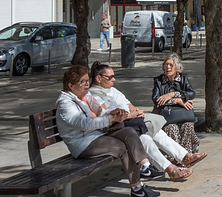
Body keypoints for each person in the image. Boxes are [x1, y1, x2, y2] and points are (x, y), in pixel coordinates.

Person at [56, 65, 161, 197]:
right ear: (70, 86)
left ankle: (145, 168)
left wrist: (112, 112)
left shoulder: (85, 96)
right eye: (82, 82)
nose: (87, 84)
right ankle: (137, 188)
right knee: (122, 147)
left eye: (87, 80)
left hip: (95, 135)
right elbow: (84, 124)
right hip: (82, 143)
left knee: (128, 132)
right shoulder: (66, 103)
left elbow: (100, 111)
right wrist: (111, 119)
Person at [89, 62, 206, 180]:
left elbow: (128, 104)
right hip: (115, 129)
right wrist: (131, 115)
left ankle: (182, 159)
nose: (113, 79)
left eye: (114, 76)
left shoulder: (113, 90)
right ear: (98, 78)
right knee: (144, 138)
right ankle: (173, 167)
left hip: (130, 124)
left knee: (156, 133)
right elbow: (106, 115)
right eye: (110, 77)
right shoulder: (94, 95)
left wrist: (136, 111)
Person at [152, 55, 201, 154]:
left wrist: (173, 94)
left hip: (182, 114)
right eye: (166, 64)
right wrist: (177, 101)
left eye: (171, 64)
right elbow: (156, 99)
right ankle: (174, 156)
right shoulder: (158, 81)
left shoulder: (183, 78)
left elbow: (191, 93)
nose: (168, 67)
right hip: (167, 116)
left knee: (188, 126)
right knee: (172, 128)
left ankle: (187, 155)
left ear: (177, 67)